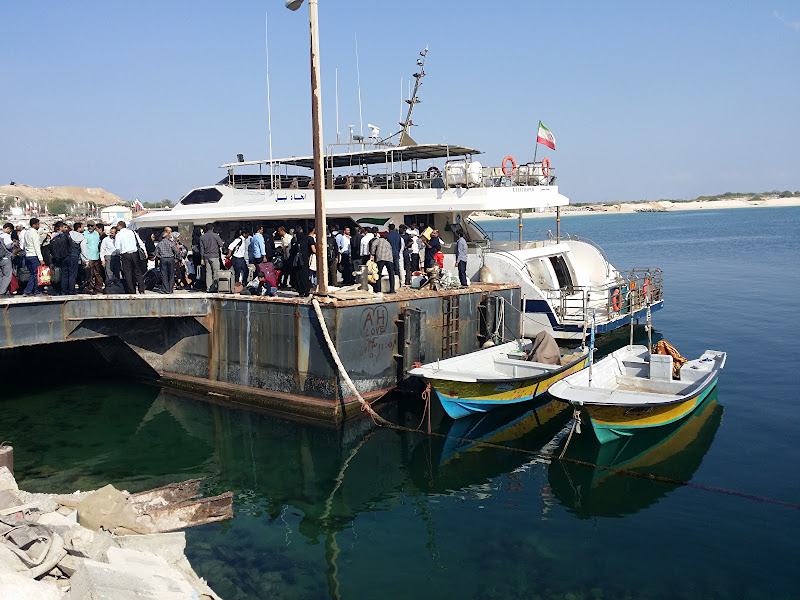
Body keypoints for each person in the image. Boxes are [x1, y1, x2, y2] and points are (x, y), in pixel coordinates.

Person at [115, 221, 145, 294]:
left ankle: (132, 291)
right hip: (135, 254)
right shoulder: (132, 232)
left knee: (128, 273)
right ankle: (141, 289)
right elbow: (140, 242)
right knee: (138, 272)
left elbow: (117, 247)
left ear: (120, 226)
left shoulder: (118, 234)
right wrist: (145, 251)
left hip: (125, 255)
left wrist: (119, 253)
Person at [199, 223, 224, 291]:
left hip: (206, 257)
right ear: (212, 228)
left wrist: (202, 258)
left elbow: (201, 249)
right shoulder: (216, 236)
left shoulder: (202, 237)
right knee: (216, 272)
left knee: (208, 273)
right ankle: (215, 287)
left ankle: (208, 288)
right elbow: (221, 245)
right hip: (215, 256)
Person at [22, 218, 44, 296]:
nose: (39, 226)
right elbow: (37, 247)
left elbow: (24, 245)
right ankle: (31, 291)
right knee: (36, 274)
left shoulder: (26, 233)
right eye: (38, 224)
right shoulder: (34, 234)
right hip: (34, 256)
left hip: (28, 255)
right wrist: (41, 259)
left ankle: (30, 291)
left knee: (32, 274)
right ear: (34, 225)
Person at [154, 228, 180, 293]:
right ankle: (170, 289)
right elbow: (176, 251)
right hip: (171, 258)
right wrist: (177, 258)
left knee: (164, 274)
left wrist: (160, 257)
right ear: (167, 237)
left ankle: (166, 289)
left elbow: (156, 253)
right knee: (171, 274)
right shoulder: (170, 243)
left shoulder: (159, 244)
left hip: (163, 259)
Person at [289, 225, 312, 297]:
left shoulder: (294, 239)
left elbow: (292, 251)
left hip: (297, 260)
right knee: (305, 276)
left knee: (298, 276)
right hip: (305, 259)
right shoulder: (307, 238)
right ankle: (307, 291)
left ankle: (301, 291)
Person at [82, 222, 103, 294]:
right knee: (89, 274)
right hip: (88, 257)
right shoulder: (84, 234)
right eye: (88, 226)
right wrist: (84, 258)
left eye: (91, 226)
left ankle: (98, 287)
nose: (90, 227)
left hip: (96, 256)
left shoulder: (97, 234)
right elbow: (82, 246)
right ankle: (90, 288)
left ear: (94, 226)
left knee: (97, 273)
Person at [386, 223, 402, 288]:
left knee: (391, 269)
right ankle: (399, 282)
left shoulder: (388, 235)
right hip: (396, 253)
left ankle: (393, 283)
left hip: (390, 254)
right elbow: (400, 245)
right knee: (397, 268)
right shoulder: (398, 235)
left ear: (389, 228)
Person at [0, 223, 13, 295]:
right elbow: (8, 246)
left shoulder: (0, 235)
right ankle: (2, 291)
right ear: (8, 228)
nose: (10, 232)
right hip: (6, 258)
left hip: (0, 258)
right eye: (10, 230)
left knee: (1, 275)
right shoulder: (6, 236)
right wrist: (14, 243)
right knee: (7, 275)